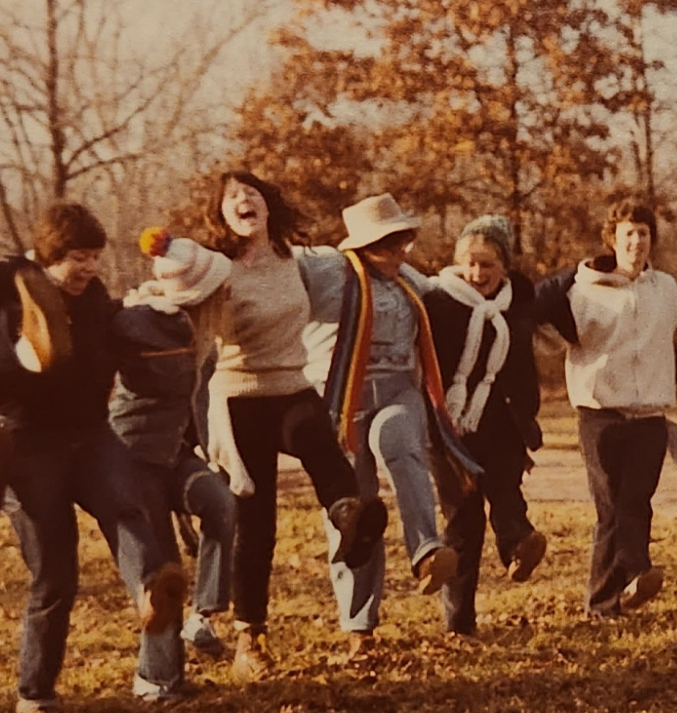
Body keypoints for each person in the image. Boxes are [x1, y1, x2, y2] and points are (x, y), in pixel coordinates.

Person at [182, 171, 388, 681]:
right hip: (239, 395)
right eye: (232, 198)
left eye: (251, 193)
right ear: (222, 214)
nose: (244, 201)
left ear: (268, 205)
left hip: (292, 384)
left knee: (323, 450)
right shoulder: (217, 269)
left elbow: (357, 265)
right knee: (258, 523)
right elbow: (177, 298)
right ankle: (249, 641)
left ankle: (349, 520)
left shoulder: (296, 260)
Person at [0, 202, 187, 713]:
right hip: (30, 444)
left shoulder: (98, 298)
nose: (88, 269)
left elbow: (124, 335)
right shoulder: (12, 288)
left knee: (127, 508)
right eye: (77, 258)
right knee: (55, 574)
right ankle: (35, 692)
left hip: (90, 433)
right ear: (47, 256)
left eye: (95, 258)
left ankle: (150, 591)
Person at [534, 196, 677, 618]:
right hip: (600, 415)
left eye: (643, 233)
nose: (636, 242)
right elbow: (543, 332)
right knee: (610, 509)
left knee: (636, 501)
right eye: (628, 234)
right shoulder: (582, 293)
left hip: (651, 418)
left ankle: (627, 581)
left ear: (651, 240)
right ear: (612, 240)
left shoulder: (665, 290)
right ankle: (608, 597)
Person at [322, 193, 475, 654]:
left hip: (398, 391)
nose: (396, 253)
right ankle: (359, 628)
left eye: (401, 242)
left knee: (399, 441)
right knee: (356, 514)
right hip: (344, 401)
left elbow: (454, 293)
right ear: (362, 247)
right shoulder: (333, 277)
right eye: (385, 245)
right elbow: (278, 280)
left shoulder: (407, 280)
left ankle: (428, 552)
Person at [110, 231, 238, 658]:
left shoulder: (197, 334)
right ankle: (157, 680)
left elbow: (197, 400)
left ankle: (203, 617)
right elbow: (107, 327)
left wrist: (210, 450)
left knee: (220, 502)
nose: (227, 295)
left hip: (175, 454)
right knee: (163, 570)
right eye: (219, 288)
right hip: (135, 455)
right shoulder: (144, 321)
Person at [425, 215, 546, 635]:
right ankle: (459, 622)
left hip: (502, 421)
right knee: (464, 520)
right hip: (449, 427)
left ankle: (518, 549)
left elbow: (523, 364)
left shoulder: (516, 304)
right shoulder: (439, 301)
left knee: (507, 493)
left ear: (505, 267)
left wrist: (528, 413)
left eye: (488, 266)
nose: (477, 275)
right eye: (470, 265)